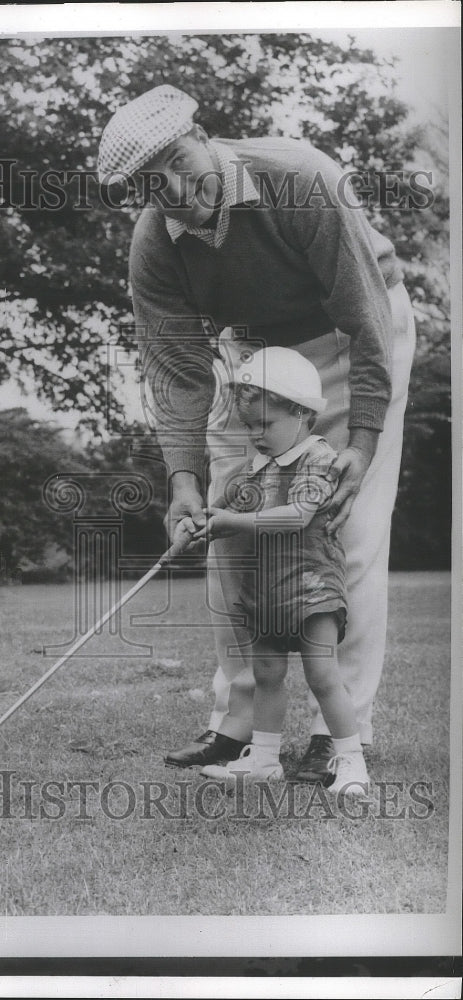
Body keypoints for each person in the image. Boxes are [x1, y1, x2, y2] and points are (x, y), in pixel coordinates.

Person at [97, 84, 416, 780]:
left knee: (345, 526)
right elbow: (178, 372)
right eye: (153, 184)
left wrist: (359, 443)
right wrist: (182, 481)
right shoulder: (154, 247)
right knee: (224, 526)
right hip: (256, 358)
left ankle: (341, 735)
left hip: (349, 334)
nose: (177, 189)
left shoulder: (301, 178)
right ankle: (239, 723)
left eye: (181, 162)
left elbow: (367, 324)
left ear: (204, 134)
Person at [189, 346, 369, 796]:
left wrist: (231, 523)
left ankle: (351, 762)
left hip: (312, 590)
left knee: (323, 676)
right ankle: (265, 760)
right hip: (267, 590)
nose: (255, 435)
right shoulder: (255, 469)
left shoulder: (319, 459)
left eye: (265, 424)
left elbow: (297, 516)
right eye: (249, 426)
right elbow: (221, 508)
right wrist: (198, 521)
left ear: (302, 413)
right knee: (267, 673)